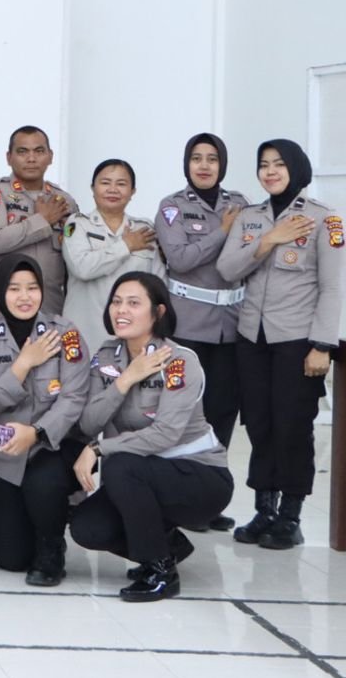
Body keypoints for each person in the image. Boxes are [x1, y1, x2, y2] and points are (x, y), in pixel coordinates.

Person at [70, 273, 234, 602]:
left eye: (133, 303)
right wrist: (125, 380)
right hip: (140, 476)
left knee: (120, 465)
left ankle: (160, 570)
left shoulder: (179, 361)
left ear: (158, 312)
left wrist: (99, 448)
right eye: (116, 302)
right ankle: (168, 546)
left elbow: (165, 434)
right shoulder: (107, 356)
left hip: (198, 477)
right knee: (87, 527)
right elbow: (88, 422)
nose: (121, 310)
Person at [217, 139, 343, 549]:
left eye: (279, 164)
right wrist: (270, 239)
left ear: (297, 168)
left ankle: (290, 516)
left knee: (292, 426)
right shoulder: (250, 218)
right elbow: (227, 269)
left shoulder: (325, 219)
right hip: (252, 338)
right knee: (259, 424)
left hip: (297, 340)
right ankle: (264, 511)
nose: (270, 172)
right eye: (263, 165)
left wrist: (322, 344)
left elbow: (332, 287)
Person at [0, 255, 90, 586]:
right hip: (5, 455)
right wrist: (23, 364)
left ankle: (52, 547)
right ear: (0, 292)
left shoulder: (64, 334)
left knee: (43, 484)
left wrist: (36, 433)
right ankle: (0, 519)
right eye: (14, 289)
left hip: (53, 446)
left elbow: (74, 398)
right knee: (11, 559)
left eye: (32, 288)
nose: (24, 297)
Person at [155, 132, 248, 532]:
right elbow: (179, 259)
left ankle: (211, 500)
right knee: (185, 412)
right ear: (187, 164)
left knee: (223, 412)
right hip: (189, 325)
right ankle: (180, 499)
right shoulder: (172, 207)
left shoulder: (240, 204)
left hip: (232, 327)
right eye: (197, 158)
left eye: (212, 158)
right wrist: (222, 232)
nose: (205, 165)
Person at [63, 159, 164, 342]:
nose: (113, 189)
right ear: (93, 188)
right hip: (85, 335)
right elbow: (82, 268)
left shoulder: (144, 229)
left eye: (121, 184)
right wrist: (126, 246)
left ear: (133, 191)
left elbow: (158, 283)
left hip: (133, 334)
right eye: (105, 183)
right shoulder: (77, 224)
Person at [0, 126, 74, 317]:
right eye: (22, 152)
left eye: (39, 151)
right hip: (4, 308)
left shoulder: (64, 201)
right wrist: (42, 221)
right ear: (9, 157)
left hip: (51, 306)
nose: (31, 158)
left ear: (50, 156)